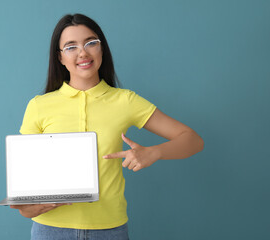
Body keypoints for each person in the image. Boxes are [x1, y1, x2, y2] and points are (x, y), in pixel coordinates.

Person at [10, 13, 204, 240]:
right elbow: (26, 183)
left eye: (91, 43)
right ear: (60, 58)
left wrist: (154, 152)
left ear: (102, 49)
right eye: (71, 47)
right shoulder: (39, 106)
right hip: (50, 229)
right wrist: (27, 208)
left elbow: (193, 140)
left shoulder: (125, 101)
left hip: (109, 229)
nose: (83, 52)